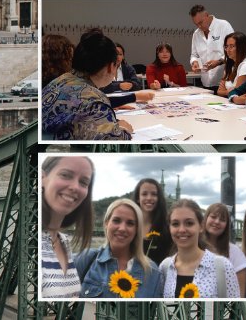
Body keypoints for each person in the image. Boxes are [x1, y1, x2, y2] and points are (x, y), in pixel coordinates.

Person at [42, 30, 132, 140]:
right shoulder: (95, 101)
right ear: (110, 66)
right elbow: (114, 144)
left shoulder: (59, 80)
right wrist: (123, 130)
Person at [149, 199, 240, 299]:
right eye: (175, 224)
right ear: (169, 228)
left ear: (201, 226)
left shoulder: (223, 267)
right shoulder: (165, 268)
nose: (182, 229)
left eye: (189, 223)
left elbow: (234, 310)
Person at [73, 199, 158, 298]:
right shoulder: (85, 260)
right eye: (116, 220)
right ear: (106, 223)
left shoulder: (153, 272)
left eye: (130, 223)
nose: (122, 228)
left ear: (137, 229)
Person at [40, 156, 93, 299]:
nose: (75, 187)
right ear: (42, 178)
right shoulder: (31, 238)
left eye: (83, 182)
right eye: (65, 175)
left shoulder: (63, 241)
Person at [203, 203, 246, 290]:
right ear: (205, 218)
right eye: (213, 217)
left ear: (226, 225)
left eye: (222, 220)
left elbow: (240, 292)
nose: (217, 222)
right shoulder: (192, 247)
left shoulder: (234, 251)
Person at [188, 5, 234, 88]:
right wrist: (194, 62)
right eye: (196, 24)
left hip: (224, 83)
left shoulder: (224, 25)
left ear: (207, 15)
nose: (199, 26)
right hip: (206, 82)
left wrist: (219, 62)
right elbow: (194, 55)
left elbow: (234, 51)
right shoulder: (196, 34)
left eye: (200, 22)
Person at [132, 178, 173, 266]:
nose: (149, 198)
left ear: (159, 199)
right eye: (144, 194)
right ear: (138, 198)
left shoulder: (167, 228)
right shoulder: (129, 225)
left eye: (154, 194)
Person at [215, 32, 246, 97]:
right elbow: (219, 91)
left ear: (241, 47)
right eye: (226, 46)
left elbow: (238, 93)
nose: (228, 50)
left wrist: (225, 92)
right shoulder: (229, 65)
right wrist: (228, 92)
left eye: (232, 46)